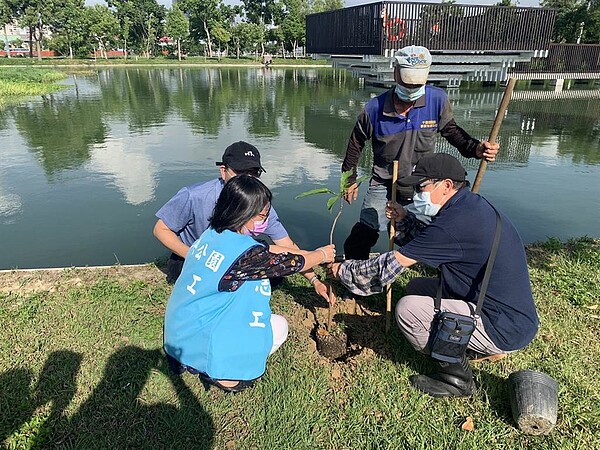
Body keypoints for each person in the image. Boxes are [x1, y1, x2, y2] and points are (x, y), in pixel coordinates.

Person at [329, 153, 538, 398]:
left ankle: (456, 378)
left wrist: (343, 270)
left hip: (503, 326)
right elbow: (430, 242)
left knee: (407, 310)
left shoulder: (455, 223)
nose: (417, 193)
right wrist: (405, 220)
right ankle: (476, 346)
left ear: (446, 185)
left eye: (422, 186)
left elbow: (388, 267)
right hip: (504, 311)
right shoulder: (468, 207)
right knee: (417, 287)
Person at [164, 175, 336, 393]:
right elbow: (289, 263)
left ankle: (203, 357)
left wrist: (313, 276)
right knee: (278, 326)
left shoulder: (214, 234)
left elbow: (270, 250)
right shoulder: (246, 258)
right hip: (200, 340)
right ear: (243, 213)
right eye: (261, 216)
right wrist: (320, 255)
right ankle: (224, 374)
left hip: (180, 331)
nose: (264, 222)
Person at [341, 45, 500, 263]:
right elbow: (356, 141)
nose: (412, 89)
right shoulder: (374, 109)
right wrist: (348, 179)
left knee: (430, 230)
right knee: (366, 229)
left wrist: (475, 148)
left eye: (417, 84)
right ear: (395, 72)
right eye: (407, 83)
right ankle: (352, 272)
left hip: (422, 182)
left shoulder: (437, 100)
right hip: (384, 180)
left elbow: (452, 132)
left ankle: (434, 264)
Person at [154, 141, 331, 303]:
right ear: (223, 171)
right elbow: (161, 229)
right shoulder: (194, 196)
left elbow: (284, 247)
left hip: (236, 259)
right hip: (193, 257)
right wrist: (194, 256)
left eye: (254, 173)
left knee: (275, 271)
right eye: (241, 172)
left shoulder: (260, 205)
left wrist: (314, 279)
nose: (248, 179)